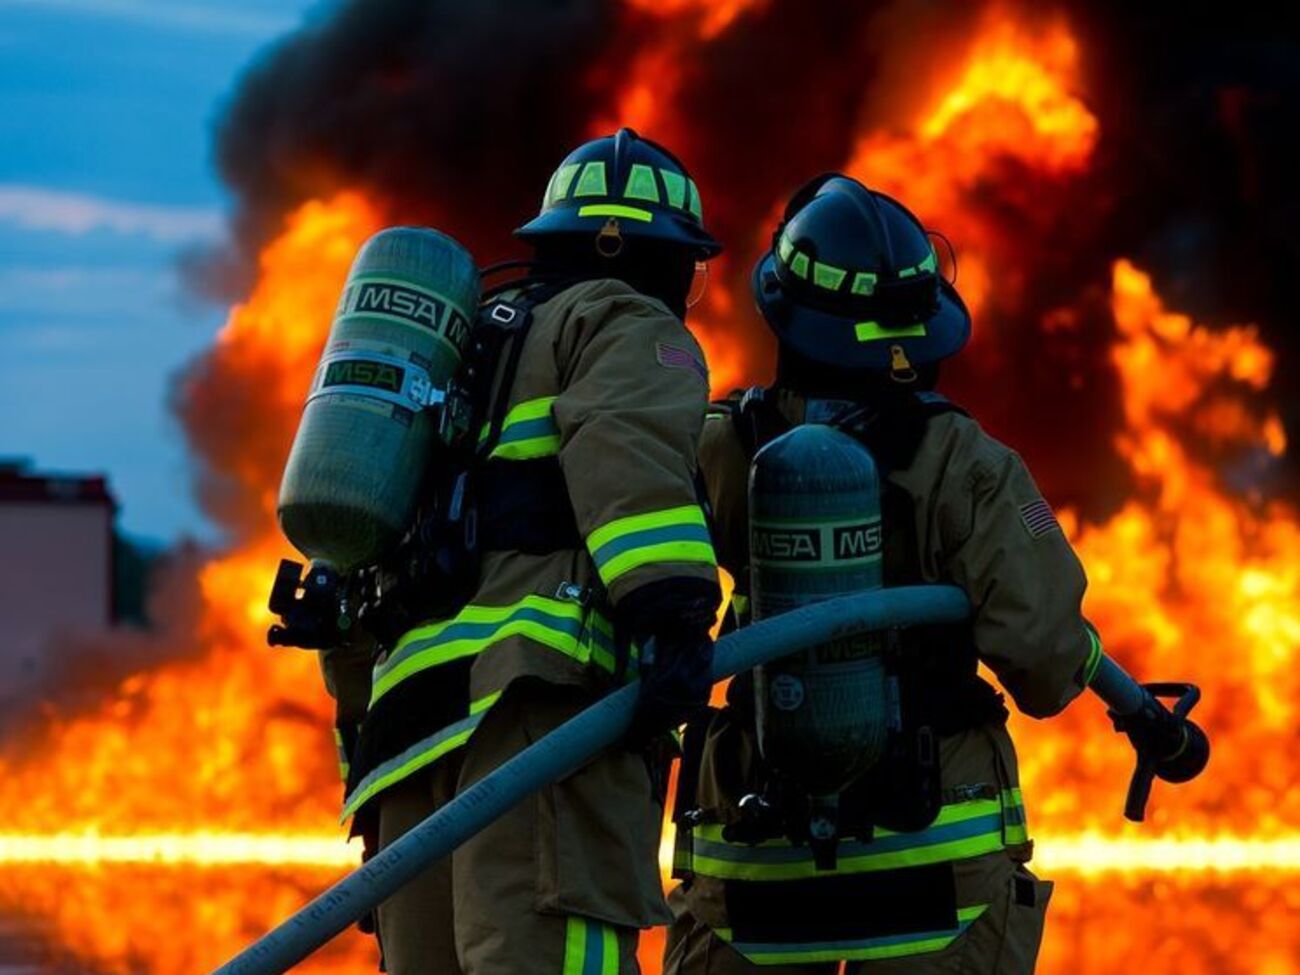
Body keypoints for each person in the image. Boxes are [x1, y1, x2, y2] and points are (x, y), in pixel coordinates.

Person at [664, 174, 1104, 974]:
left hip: (757, 880)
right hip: (936, 874)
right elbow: (1044, 662)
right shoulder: (967, 463)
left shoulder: (722, 447)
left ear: (788, 321)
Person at [329, 128, 724, 974]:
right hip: (535, 721)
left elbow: (357, 578)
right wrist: (675, 615)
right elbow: (627, 456)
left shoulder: (455, 358)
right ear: (663, 262)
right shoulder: (619, 320)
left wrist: (359, 745)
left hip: (405, 740)